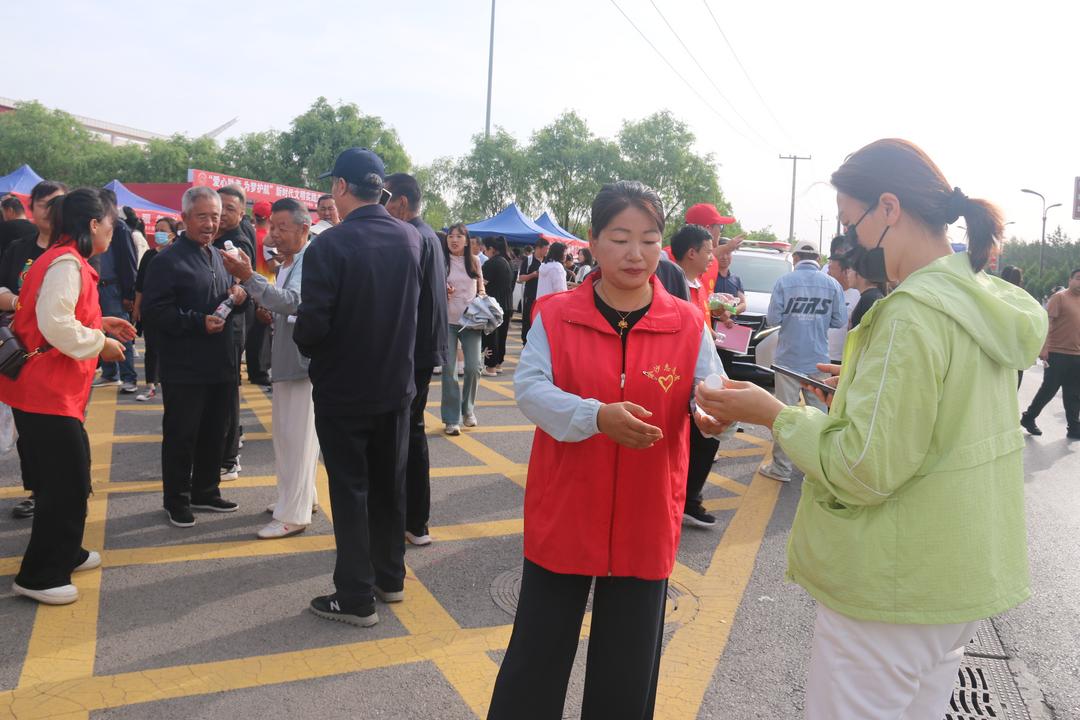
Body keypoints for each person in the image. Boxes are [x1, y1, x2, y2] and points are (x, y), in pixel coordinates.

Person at [696, 138, 1047, 719]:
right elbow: (941, 419)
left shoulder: (912, 313)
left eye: (850, 223)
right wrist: (856, 386)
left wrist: (775, 414)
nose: (850, 243)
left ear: (888, 209)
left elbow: (864, 467)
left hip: (893, 582)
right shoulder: (981, 300)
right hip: (958, 572)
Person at [487, 181, 731, 719]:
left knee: (629, 663)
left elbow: (708, 390)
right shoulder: (555, 314)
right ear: (593, 242)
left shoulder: (689, 322)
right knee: (537, 652)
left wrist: (711, 414)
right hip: (566, 507)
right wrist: (594, 417)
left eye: (648, 239)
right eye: (620, 238)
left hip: (647, 513)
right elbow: (531, 388)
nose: (634, 253)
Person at [294, 147, 421, 627]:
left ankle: (354, 596)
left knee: (350, 491)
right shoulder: (410, 239)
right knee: (389, 485)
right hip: (396, 387)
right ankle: (389, 578)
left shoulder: (329, 245)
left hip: (345, 391)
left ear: (341, 188)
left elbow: (312, 326)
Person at [0, 188, 135, 604]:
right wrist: (101, 343)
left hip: (46, 390)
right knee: (67, 484)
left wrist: (100, 321)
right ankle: (40, 576)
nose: (114, 232)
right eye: (111, 224)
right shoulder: (66, 263)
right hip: (47, 391)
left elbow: (55, 315)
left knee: (65, 477)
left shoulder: (64, 259)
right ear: (93, 225)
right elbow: (56, 323)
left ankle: (65, 551)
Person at [142, 186, 246, 528]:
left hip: (219, 360)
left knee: (215, 430)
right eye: (202, 216)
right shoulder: (167, 260)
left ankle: (206, 490)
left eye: (215, 217)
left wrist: (236, 293)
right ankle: (176, 499)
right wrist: (196, 321)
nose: (210, 224)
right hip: (184, 364)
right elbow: (156, 313)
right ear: (184, 217)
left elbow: (224, 298)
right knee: (182, 433)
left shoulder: (217, 255)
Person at [222, 199, 320, 538]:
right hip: (289, 359)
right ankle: (300, 498)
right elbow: (285, 304)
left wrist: (249, 278)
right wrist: (268, 305)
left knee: (296, 438)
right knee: (292, 437)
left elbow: (294, 302)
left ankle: (294, 513)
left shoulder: (311, 259)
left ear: (304, 228)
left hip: (301, 363)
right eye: (273, 227)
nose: (274, 234)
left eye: (282, 227)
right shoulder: (289, 261)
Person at [383, 172, 449, 548]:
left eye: (386, 202)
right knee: (413, 431)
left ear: (402, 204)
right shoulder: (427, 235)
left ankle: (410, 520)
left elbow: (405, 304)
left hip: (412, 351)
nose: (383, 211)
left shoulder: (413, 237)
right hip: (423, 348)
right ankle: (415, 522)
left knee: (404, 435)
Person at [0, 181, 66, 521]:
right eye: (46, 205)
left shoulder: (73, 251)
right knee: (29, 431)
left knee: (65, 429)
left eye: (59, 204)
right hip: (23, 354)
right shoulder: (18, 248)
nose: (52, 212)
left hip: (62, 356)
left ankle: (66, 491)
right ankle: (38, 491)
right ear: (34, 208)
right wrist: (21, 302)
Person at [756, 240, 847, 483]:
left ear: (795, 258)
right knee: (818, 415)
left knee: (783, 413)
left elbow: (773, 317)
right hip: (819, 360)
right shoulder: (832, 284)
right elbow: (839, 321)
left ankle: (781, 468)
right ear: (818, 259)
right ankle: (816, 471)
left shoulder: (785, 282)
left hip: (788, 360)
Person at [670, 224, 722, 529]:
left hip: (701, 371)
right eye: (708, 251)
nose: (711, 257)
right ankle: (686, 499)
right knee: (698, 439)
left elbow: (700, 326)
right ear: (692, 252)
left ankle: (687, 497)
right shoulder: (669, 282)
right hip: (678, 375)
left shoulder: (700, 285)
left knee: (705, 436)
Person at [213, 185, 257, 480]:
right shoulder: (225, 234)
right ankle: (233, 437)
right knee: (227, 388)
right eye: (221, 207)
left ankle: (229, 460)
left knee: (227, 388)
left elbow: (239, 284)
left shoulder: (235, 240)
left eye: (231, 208)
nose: (224, 213)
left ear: (242, 212)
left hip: (232, 321)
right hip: (229, 321)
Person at [1021, 268, 1080, 439]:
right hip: (1057, 352)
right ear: (1070, 279)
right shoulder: (1059, 297)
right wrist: (1044, 347)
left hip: (1076, 354)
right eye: (1077, 278)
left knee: (1074, 392)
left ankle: (1074, 427)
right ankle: (1029, 417)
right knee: (1049, 389)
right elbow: (1047, 323)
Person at [91, 190, 139, 394]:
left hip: (113, 287)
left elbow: (128, 261)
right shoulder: (96, 225)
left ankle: (129, 377)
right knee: (98, 329)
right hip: (97, 286)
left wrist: (129, 293)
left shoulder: (119, 227)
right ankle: (110, 373)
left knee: (120, 331)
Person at [441, 223, 485, 436]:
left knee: (474, 368)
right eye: (451, 236)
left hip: (471, 322)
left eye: (459, 236)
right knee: (449, 371)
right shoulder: (442, 261)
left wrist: (483, 297)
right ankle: (451, 419)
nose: (454, 240)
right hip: (447, 322)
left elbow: (481, 287)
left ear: (467, 241)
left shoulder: (475, 261)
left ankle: (468, 410)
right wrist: (444, 291)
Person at [132, 217, 178, 402]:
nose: (158, 233)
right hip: (150, 308)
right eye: (156, 229)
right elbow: (140, 284)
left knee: (171, 346)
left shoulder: (178, 255)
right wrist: (137, 307)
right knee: (152, 348)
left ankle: (171, 383)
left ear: (172, 235)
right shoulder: (149, 255)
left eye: (162, 229)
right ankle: (151, 385)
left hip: (173, 309)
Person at [245, 200, 273, 388]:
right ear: (270, 217)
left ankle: (251, 369)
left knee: (248, 333)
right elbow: (272, 267)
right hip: (265, 289)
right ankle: (259, 372)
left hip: (248, 288)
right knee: (262, 336)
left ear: (253, 215)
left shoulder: (249, 236)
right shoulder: (270, 239)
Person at [711, 237, 747, 376]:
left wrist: (730, 312)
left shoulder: (736, 279)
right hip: (711, 331)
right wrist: (722, 315)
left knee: (727, 372)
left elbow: (743, 305)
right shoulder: (708, 276)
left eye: (728, 253)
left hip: (729, 332)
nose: (725, 257)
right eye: (722, 253)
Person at [481, 236, 514, 377]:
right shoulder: (508, 262)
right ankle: (498, 363)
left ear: (491, 249)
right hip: (507, 304)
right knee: (502, 336)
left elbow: (482, 283)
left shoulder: (491, 263)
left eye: (485, 249)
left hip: (494, 305)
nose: (484, 252)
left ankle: (490, 367)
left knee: (491, 336)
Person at [825, 235, 861, 365]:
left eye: (831, 269)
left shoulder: (858, 296)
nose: (828, 273)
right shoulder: (825, 292)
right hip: (822, 357)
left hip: (843, 361)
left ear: (845, 271)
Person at [517, 238, 547, 343]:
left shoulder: (547, 261)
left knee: (539, 322)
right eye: (545, 249)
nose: (546, 251)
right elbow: (521, 278)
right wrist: (533, 274)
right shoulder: (528, 260)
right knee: (527, 320)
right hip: (530, 296)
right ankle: (525, 342)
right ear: (538, 248)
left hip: (543, 298)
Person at [845, 262, 886, 330]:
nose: (847, 274)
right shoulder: (871, 296)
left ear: (860, 273)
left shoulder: (869, 299)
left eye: (850, 270)